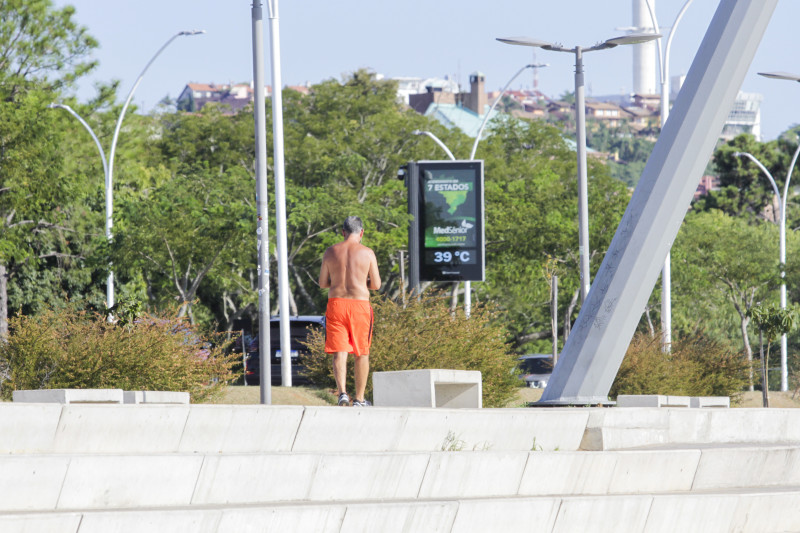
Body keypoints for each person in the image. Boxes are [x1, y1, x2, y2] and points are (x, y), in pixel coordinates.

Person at [318, 216, 381, 406]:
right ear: (361, 233)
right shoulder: (367, 253)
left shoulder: (330, 252)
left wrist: (337, 281)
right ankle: (359, 399)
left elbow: (322, 283)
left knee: (340, 351)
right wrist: (361, 281)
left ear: (343, 232)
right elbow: (376, 285)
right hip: (359, 304)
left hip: (336, 304)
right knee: (361, 353)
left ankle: (343, 393)